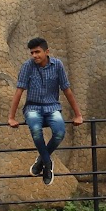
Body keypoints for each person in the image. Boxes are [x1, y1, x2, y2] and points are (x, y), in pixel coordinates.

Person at [7, 36, 82, 184]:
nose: (34, 55)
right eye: (32, 53)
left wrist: (78, 115)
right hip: (33, 107)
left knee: (60, 133)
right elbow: (19, 91)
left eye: (37, 52)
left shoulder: (57, 65)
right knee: (35, 130)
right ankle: (48, 164)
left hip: (52, 106)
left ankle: (41, 159)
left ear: (47, 51)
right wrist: (11, 117)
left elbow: (66, 90)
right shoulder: (27, 66)